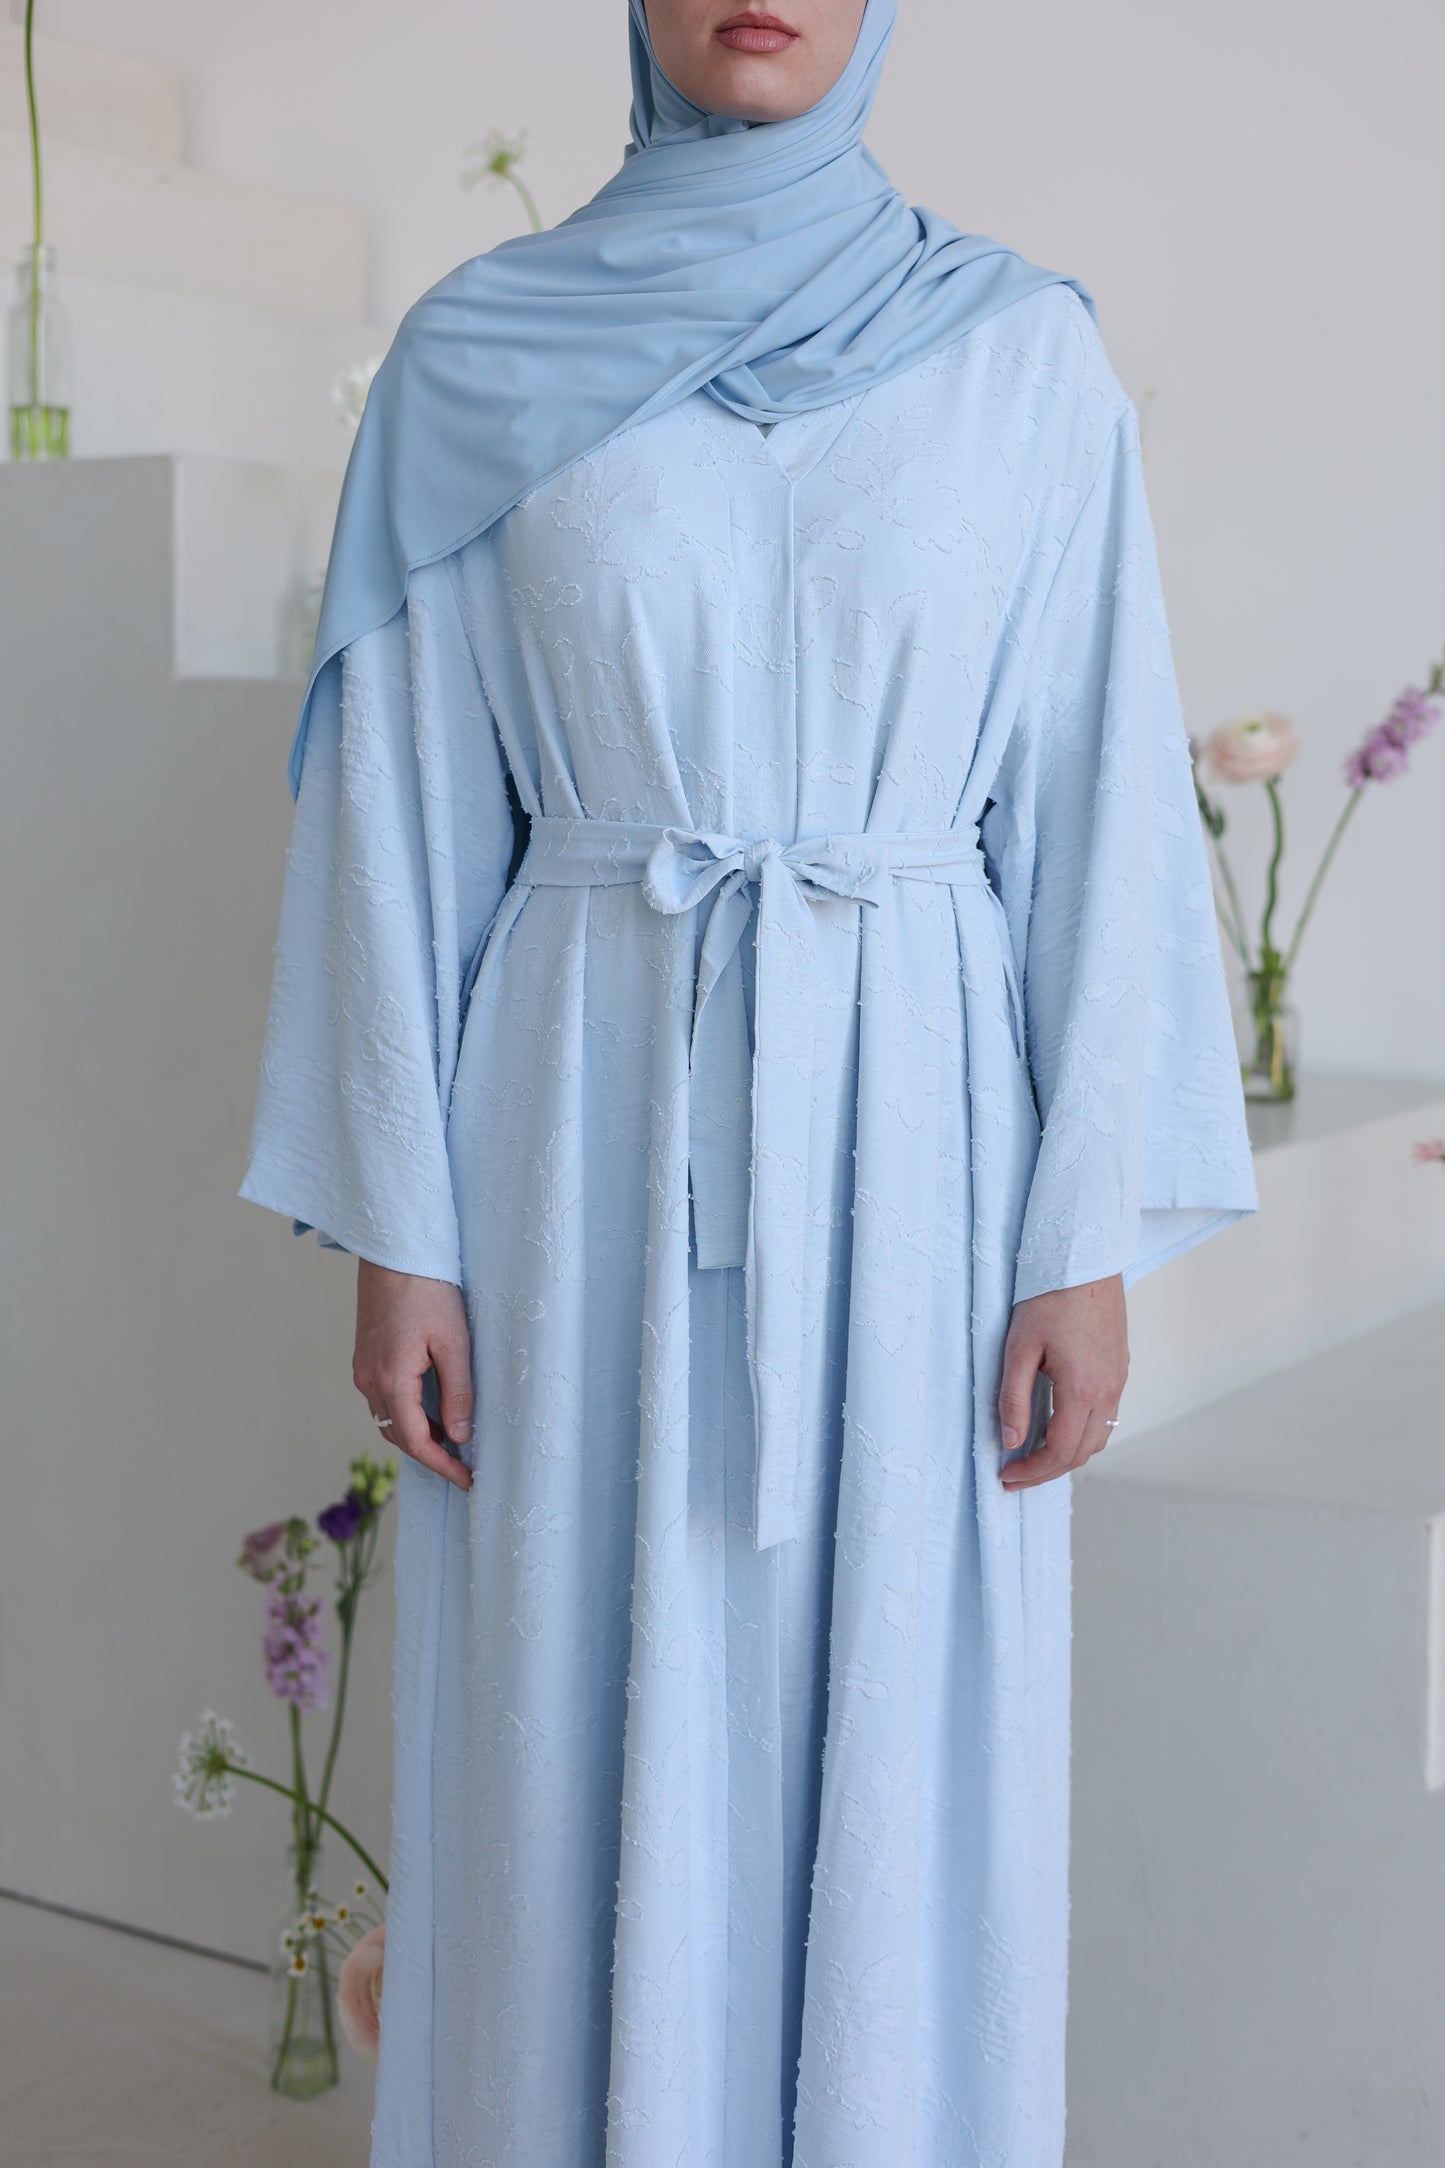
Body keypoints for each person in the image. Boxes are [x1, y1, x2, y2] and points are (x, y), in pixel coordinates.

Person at [239, 2, 1258, 2160]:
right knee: (569, 1694)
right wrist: (400, 1231)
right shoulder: (475, 360)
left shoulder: (1022, 356)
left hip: (922, 1151)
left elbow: (1095, 804)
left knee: (895, 1713)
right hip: (574, 1142)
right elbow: (403, 818)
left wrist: (1080, 1242)